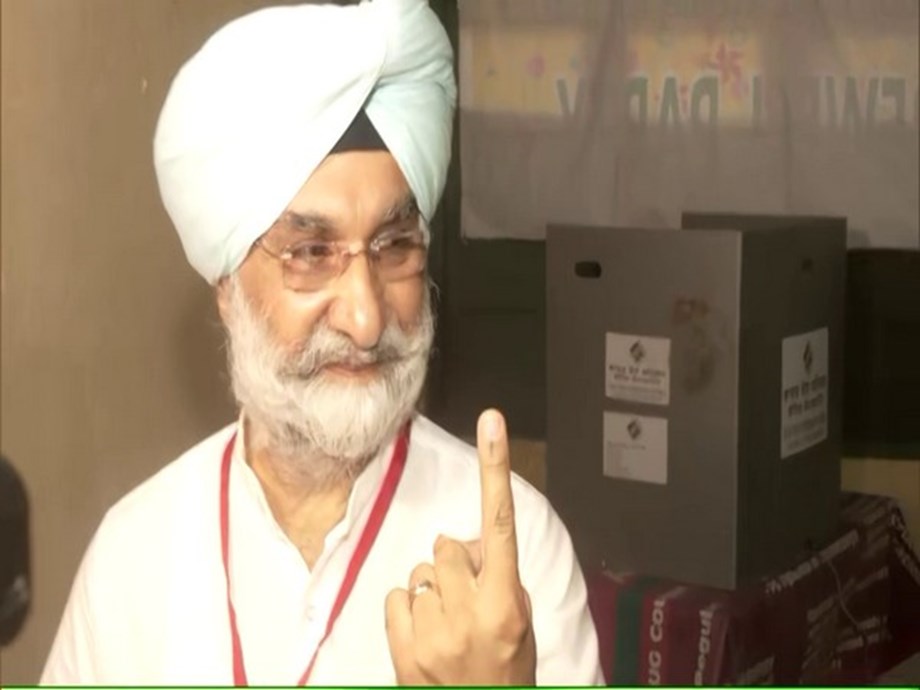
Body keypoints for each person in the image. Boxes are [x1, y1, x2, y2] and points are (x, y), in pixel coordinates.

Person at [41, 0, 603, 685]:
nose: (366, 319)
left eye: (396, 246)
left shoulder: (514, 559)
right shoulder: (133, 559)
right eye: (310, 252)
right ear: (227, 285)